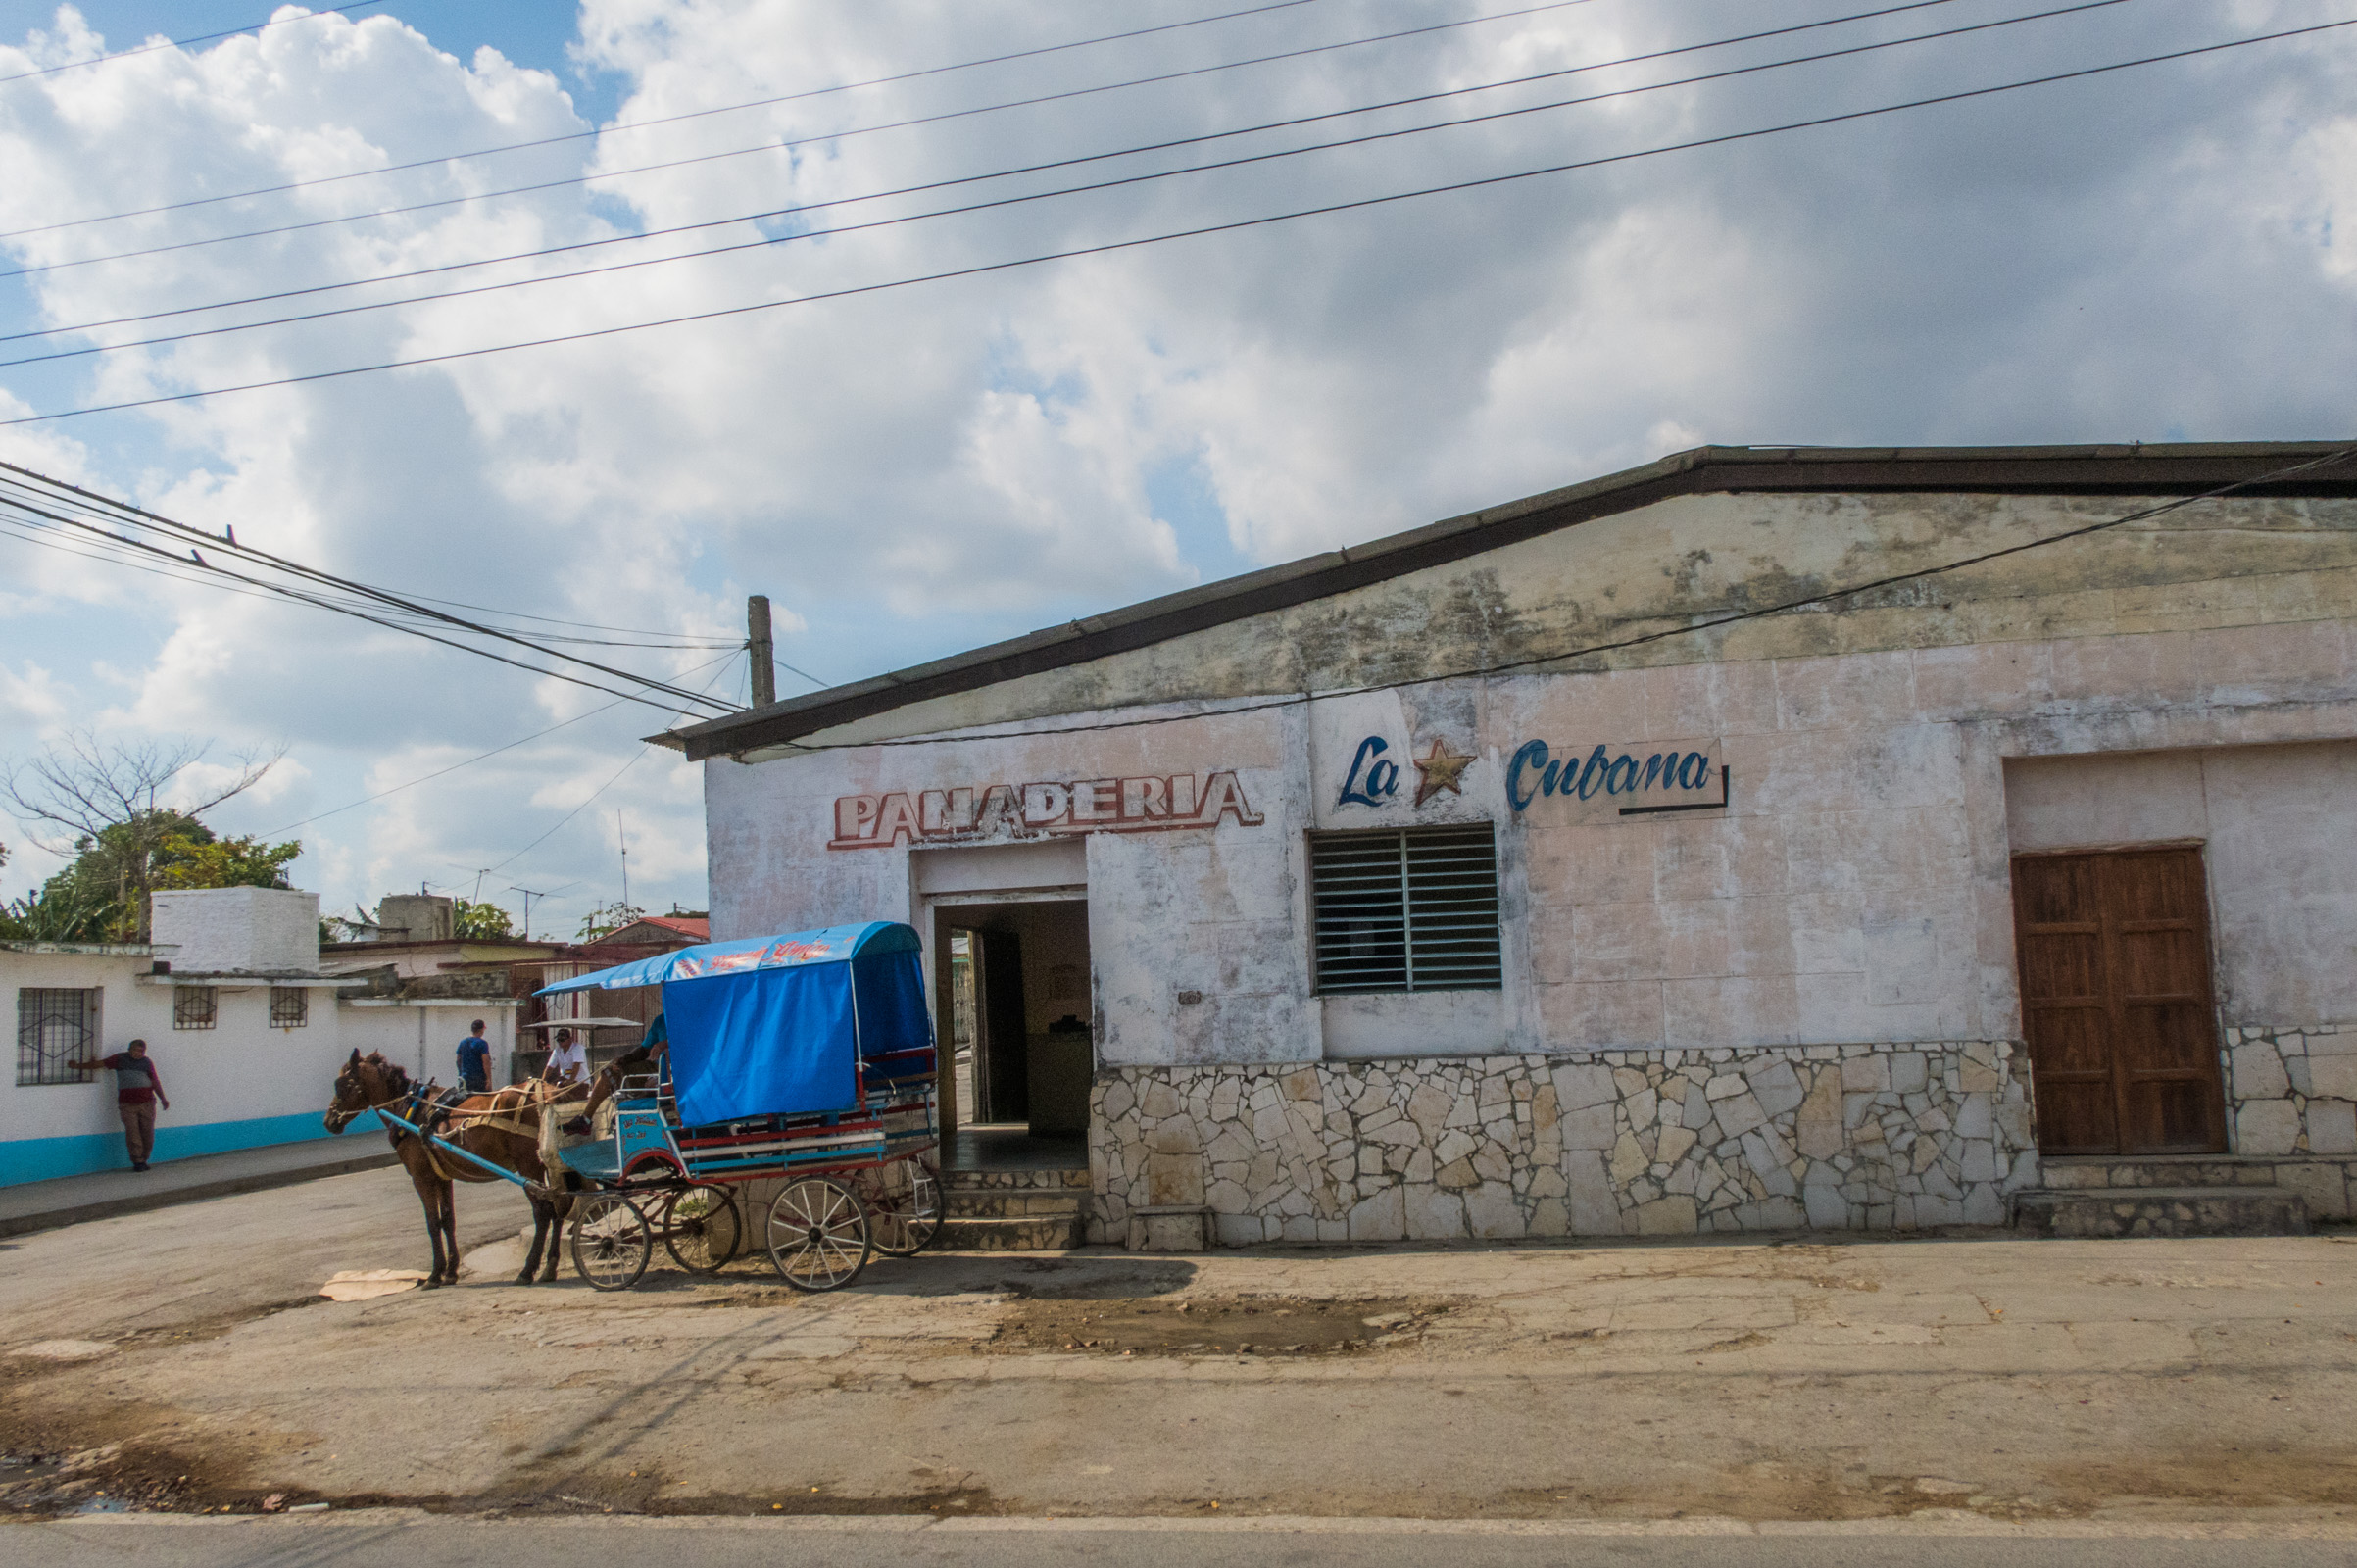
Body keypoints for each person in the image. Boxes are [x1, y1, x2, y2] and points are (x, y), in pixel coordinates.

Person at [68, 1038, 171, 1172]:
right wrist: (78, 1066)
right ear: (129, 1049)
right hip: (127, 1105)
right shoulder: (120, 1059)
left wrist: (163, 1098)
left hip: (147, 1104)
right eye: (135, 1050)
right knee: (133, 1133)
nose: (137, 1053)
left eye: (141, 1051)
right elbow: (99, 1064)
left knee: (148, 1134)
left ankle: (144, 1158)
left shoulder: (147, 1062)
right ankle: (138, 1161)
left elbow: (155, 1081)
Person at [456, 1020, 493, 1095]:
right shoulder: (482, 1043)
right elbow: (486, 1062)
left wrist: (461, 1072)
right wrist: (489, 1080)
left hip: (465, 1079)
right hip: (479, 1080)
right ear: (481, 1030)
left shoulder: (463, 1042)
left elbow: (458, 1060)